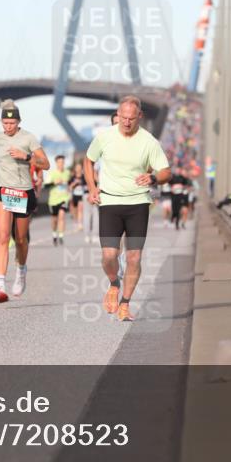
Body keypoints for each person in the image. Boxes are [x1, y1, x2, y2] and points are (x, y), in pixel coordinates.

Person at [84, 96, 170, 322]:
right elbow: (88, 160)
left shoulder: (149, 141)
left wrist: (152, 177)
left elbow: (165, 172)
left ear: (139, 116)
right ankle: (114, 283)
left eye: (132, 118)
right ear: (118, 115)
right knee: (109, 255)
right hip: (110, 202)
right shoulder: (104, 137)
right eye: (123, 118)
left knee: (133, 258)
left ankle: (125, 303)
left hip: (138, 204)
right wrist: (92, 187)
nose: (127, 122)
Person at [0, 100, 49, 302]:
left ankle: (21, 271)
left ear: (18, 122)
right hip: (4, 191)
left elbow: (46, 163)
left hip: (24, 192)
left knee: (21, 240)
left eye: (12, 124)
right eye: (5, 124)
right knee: (3, 237)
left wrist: (26, 157)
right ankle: (0, 285)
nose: (8, 127)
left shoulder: (29, 138)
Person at [47, 155, 71, 246]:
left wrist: (69, 189)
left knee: (62, 216)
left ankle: (61, 235)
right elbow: (46, 186)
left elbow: (69, 183)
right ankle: (54, 234)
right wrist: (54, 183)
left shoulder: (67, 173)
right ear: (56, 163)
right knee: (54, 220)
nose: (61, 164)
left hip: (64, 198)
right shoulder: (52, 173)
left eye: (62, 162)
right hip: (53, 200)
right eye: (59, 162)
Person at [69, 163, 86, 233]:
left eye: (79, 167)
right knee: (75, 210)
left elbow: (86, 186)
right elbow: (69, 187)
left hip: (81, 195)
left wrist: (81, 183)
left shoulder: (83, 177)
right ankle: (76, 223)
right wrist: (74, 183)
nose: (78, 169)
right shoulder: (72, 177)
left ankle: (80, 224)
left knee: (80, 209)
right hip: (74, 195)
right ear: (75, 169)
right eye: (77, 167)